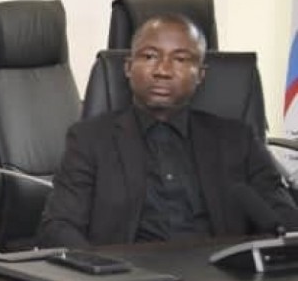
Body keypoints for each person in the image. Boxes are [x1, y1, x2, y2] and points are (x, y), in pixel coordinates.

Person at [37, 15, 298, 246]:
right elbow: (59, 227)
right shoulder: (90, 139)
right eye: (150, 56)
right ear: (128, 67)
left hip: (221, 277)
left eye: (181, 59)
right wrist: (97, 272)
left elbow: (284, 218)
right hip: (126, 276)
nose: (163, 70)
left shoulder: (237, 139)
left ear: (200, 74)